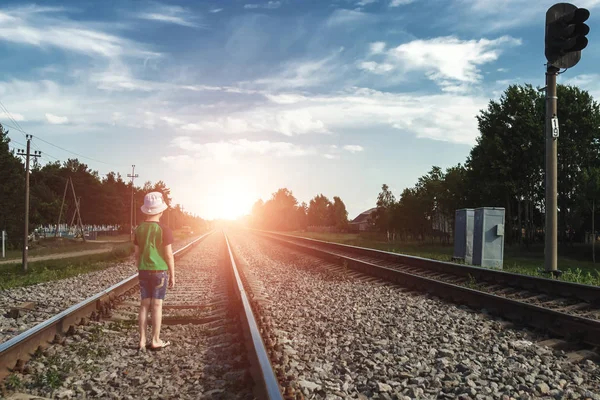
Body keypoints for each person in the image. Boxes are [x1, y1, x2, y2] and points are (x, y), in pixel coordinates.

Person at [133, 192, 175, 351]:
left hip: (144, 270)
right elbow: (169, 255)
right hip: (159, 270)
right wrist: (172, 274)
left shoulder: (139, 229)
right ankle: (156, 340)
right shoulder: (164, 229)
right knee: (157, 305)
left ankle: (142, 341)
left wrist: (141, 267)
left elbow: (137, 254)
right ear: (161, 211)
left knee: (144, 305)